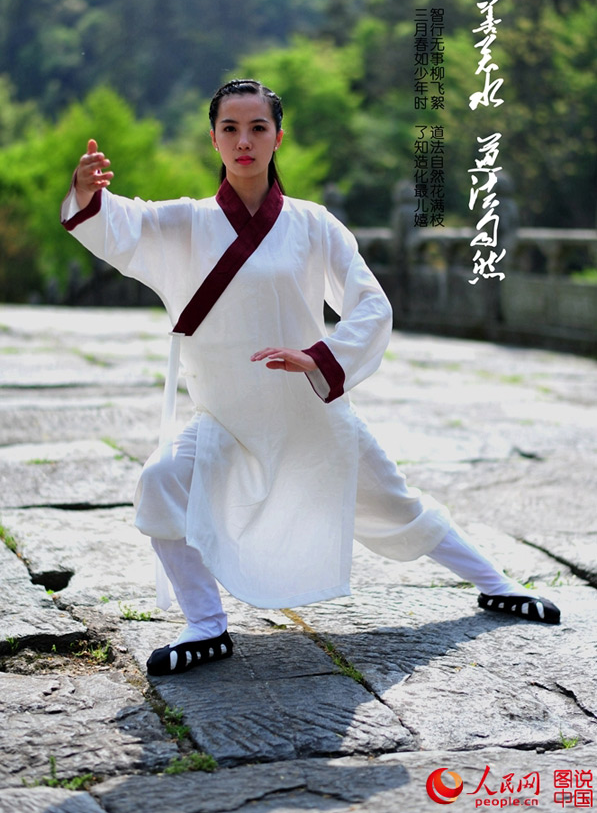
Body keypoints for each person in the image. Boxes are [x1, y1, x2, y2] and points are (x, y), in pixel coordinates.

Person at [61, 79, 560, 676]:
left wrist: (321, 357)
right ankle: (206, 625)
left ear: (278, 137)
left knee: (397, 503)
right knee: (162, 478)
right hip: (226, 420)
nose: (244, 141)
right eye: (230, 129)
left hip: (310, 417)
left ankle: (497, 584)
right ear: (213, 138)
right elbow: (124, 222)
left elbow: (370, 304)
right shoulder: (187, 223)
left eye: (258, 128)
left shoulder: (313, 224)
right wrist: (86, 192)